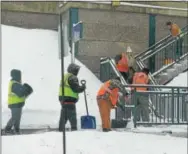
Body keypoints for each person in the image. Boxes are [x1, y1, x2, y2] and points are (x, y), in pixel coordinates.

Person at [59, 63, 86, 131]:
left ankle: (60, 131)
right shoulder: (72, 77)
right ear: (72, 70)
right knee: (72, 117)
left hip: (63, 100)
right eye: (76, 70)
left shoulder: (65, 76)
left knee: (63, 117)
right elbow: (76, 89)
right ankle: (74, 131)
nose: (77, 72)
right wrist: (83, 87)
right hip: (70, 100)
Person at [4, 69, 33, 134]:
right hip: (15, 104)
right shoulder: (14, 84)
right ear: (16, 76)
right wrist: (28, 90)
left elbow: (22, 93)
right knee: (15, 117)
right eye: (19, 75)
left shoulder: (16, 83)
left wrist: (26, 91)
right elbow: (21, 93)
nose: (20, 77)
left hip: (18, 104)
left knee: (17, 118)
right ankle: (7, 129)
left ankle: (16, 130)